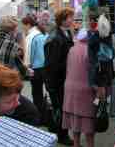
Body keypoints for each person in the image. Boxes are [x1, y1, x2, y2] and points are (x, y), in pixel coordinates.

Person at [44, 7, 75, 146]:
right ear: (63, 19)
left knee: (62, 108)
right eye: (70, 17)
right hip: (57, 82)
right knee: (60, 108)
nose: (72, 20)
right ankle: (61, 135)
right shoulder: (56, 38)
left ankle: (60, 132)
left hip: (62, 80)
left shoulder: (65, 33)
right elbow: (53, 65)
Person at [62, 29, 98, 147]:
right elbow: (94, 73)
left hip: (70, 89)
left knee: (75, 124)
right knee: (89, 127)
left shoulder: (72, 49)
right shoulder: (91, 50)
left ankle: (76, 144)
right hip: (86, 91)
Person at [22, 15, 48, 124]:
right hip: (46, 67)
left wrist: (26, 67)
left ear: (28, 25)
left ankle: (39, 117)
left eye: (23, 25)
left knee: (36, 93)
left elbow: (29, 54)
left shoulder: (31, 36)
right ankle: (46, 116)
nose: (22, 28)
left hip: (36, 69)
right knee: (45, 92)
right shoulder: (43, 35)